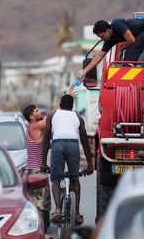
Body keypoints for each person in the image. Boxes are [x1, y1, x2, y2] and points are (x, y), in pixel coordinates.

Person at [42, 94, 94, 226]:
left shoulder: (52, 115)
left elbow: (46, 139)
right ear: (72, 106)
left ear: (60, 105)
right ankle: (76, 213)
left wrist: (43, 163)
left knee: (56, 179)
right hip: (73, 144)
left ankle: (58, 210)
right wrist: (90, 165)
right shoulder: (78, 117)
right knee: (75, 178)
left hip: (58, 143)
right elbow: (85, 142)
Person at [76, 17, 144, 80]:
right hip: (142, 34)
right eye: (100, 37)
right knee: (128, 54)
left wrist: (121, 48)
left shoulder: (116, 24)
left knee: (134, 47)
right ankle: (127, 70)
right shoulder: (110, 40)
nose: (102, 39)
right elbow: (99, 56)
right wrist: (84, 71)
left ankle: (129, 71)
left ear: (108, 30)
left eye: (102, 36)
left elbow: (132, 40)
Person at [22, 104, 51, 233]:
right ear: (31, 116)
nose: (40, 113)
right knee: (39, 206)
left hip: (28, 171)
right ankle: (40, 234)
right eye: (37, 111)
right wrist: (65, 101)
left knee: (33, 204)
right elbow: (50, 118)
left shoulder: (30, 127)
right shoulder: (35, 126)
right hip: (36, 172)